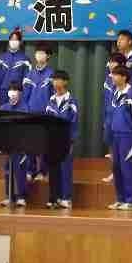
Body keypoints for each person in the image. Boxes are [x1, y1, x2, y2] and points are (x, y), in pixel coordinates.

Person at [106, 65, 132, 211]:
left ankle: (131, 201)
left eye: (116, 75)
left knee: (127, 167)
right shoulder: (114, 93)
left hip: (127, 136)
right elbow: (110, 115)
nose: (113, 77)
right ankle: (120, 199)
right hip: (115, 135)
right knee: (116, 168)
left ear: (124, 77)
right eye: (112, 74)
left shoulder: (131, 94)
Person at [45, 70, 79, 209]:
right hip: (52, 140)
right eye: (53, 80)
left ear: (65, 82)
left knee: (65, 169)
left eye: (58, 79)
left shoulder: (71, 101)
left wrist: (71, 140)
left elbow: (74, 122)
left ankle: (66, 198)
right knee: (53, 170)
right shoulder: (51, 100)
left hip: (65, 140)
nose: (55, 82)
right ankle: (54, 198)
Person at [22, 42, 54, 182]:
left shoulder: (52, 74)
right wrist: (25, 111)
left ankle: (43, 171)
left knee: (44, 145)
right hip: (31, 115)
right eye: (37, 52)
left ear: (48, 56)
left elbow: (53, 96)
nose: (39, 55)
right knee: (30, 144)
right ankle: (30, 170)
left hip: (46, 116)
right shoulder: (29, 74)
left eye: (42, 53)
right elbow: (25, 96)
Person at [0, 82, 30, 207]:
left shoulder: (25, 108)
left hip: (20, 146)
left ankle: (21, 197)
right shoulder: (3, 108)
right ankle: (9, 196)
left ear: (20, 93)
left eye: (15, 90)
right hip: (7, 145)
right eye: (10, 89)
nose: (12, 92)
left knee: (20, 170)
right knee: (7, 170)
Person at [101, 52, 127, 184]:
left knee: (121, 149)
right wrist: (105, 118)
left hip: (120, 119)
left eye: (114, 62)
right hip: (108, 116)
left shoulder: (124, 81)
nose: (111, 64)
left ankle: (121, 174)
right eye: (110, 61)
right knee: (111, 147)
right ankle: (114, 172)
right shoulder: (107, 79)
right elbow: (105, 99)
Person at [0, 29, 31, 107]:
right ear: (9, 41)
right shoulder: (0, 58)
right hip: (3, 93)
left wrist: (24, 95)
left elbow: (27, 80)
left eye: (16, 39)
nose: (13, 41)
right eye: (12, 39)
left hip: (18, 94)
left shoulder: (25, 60)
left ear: (20, 42)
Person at [112, 30, 132, 100]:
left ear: (129, 42)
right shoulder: (114, 59)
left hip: (129, 97)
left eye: (122, 39)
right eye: (118, 40)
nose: (118, 42)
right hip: (115, 96)